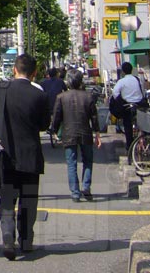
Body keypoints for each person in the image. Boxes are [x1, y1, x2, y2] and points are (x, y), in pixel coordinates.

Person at [0, 53, 50, 260]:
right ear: (34, 72)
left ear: (14, 69)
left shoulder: (0, 90)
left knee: (6, 198)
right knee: (28, 199)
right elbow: (44, 125)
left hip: (5, 154)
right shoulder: (39, 95)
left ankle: (7, 236)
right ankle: (26, 241)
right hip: (30, 154)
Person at [50, 69, 101, 202]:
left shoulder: (61, 97)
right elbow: (94, 117)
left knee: (71, 163)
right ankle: (86, 187)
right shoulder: (88, 96)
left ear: (68, 82)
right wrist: (97, 133)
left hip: (69, 132)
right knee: (88, 161)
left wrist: (54, 130)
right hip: (85, 132)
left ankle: (75, 193)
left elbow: (57, 116)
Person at [112, 62, 147, 156]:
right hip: (139, 105)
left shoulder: (121, 81)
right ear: (131, 70)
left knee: (127, 126)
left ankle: (129, 146)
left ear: (123, 71)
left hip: (128, 106)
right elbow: (143, 91)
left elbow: (115, 93)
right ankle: (143, 141)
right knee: (141, 125)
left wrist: (121, 100)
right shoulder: (137, 79)